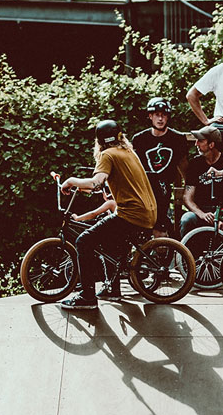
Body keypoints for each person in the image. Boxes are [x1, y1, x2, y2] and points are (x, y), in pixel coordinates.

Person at [59, 119, 158, 311]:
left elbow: (95, 182)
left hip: (131, 214)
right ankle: (112, 289)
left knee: (83, 241)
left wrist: (71, 181)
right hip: (147, 212)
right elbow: (112, 183)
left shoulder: (107, 155)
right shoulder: (128, 152)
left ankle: (87, 297)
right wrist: (86, 188)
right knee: (110, 243)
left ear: (99, 141)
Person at [131, 97, 189, 234]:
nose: (160, 119)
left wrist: (189, 186)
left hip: (163, 188)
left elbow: (184, 165)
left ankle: (162, 250)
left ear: (168, 117)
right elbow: (133, 167)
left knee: (160, 227)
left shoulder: (177, 138)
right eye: (157, 115)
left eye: (164, 115)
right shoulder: (139, 139)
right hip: (143, 187)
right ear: (150, 116)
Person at [180, 126, 223, 238]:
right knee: (187, 219)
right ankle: (188, 255)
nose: (196, 144)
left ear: (211, 145)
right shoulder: (195, 164)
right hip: (201, 212)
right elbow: (187, 197)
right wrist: (202, 214)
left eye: (200, 141)